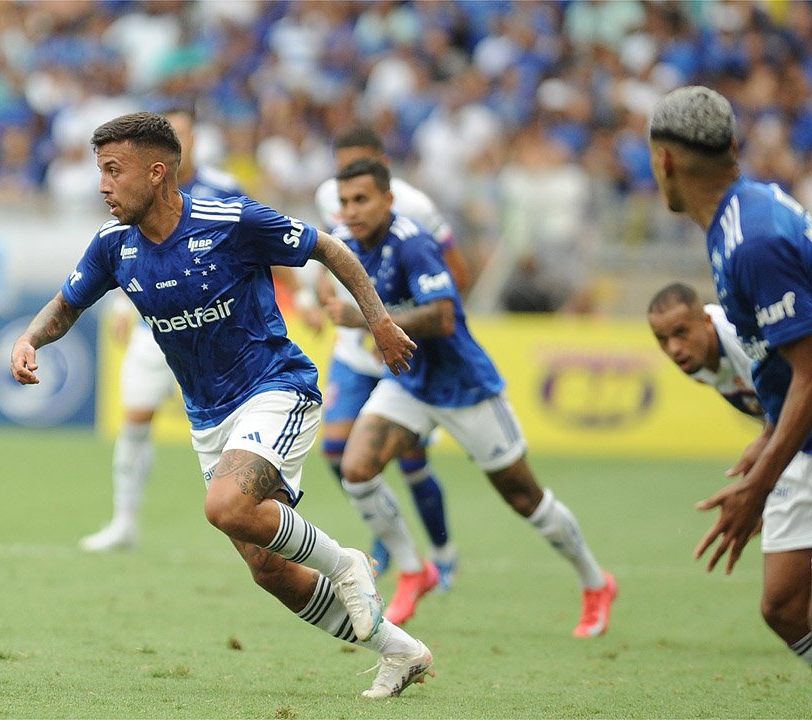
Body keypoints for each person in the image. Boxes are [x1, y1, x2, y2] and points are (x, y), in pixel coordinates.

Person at [11, 112, 432, 698]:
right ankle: (400, 650)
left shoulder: (231, 219)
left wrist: (379, 321)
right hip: (209, 416)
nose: (102, 185)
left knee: (226, 506)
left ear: (157, 172)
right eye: (99, 171)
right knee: (269, 569)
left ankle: (346, 564)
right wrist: (30, 339)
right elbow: (65, 305)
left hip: (276, 387)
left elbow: (328, 247)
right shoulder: (113, 245)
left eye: (113, 170)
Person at [327, 158, 618, 637]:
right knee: (356, 470)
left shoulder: (413, 244)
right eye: (344, 201)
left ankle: (595, 582)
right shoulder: (353, 247)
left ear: (388, 200)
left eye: (361, 199)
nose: (351, 210)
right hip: (410, 384)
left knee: (525, 497)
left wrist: (365, 319)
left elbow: (441, 317)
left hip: (463, 386)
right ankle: (414, 570)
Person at [80, 105, 321, 552]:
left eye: (185, 133)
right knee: (135, 417)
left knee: (238, 495)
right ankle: (124, 520)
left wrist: (303, 296)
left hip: (224, 331)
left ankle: (281, 526)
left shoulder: (222, 190)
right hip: (159, 326)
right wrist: (118, 306)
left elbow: (267, 241)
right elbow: (122, 253)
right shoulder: (130, 194)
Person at [648, 85, 812, 667]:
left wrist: (758, 485)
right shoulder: (744, 217)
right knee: (785, 605)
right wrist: (770, 441)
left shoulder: (753, 240)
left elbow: (810, 377)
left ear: (663, 160)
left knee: (785, 605)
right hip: (798, 440)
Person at [312, 126, 466, 589]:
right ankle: (387, 536)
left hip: (404, 353)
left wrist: (424, 317)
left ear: (383, 168)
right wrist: (323, 289)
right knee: (337, 448)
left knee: (412, 462)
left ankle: (442, 552)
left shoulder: (415, 208)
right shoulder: (331, 198)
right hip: (355, 354)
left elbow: (454, 271)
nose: (348, 194)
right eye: (342, 173)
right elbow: (330, 250)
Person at [646, 282, 765, 421]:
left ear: (707, 321)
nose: (674, 348)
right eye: (662, 338)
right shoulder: (693, 360)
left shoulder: (743, 342)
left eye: (681, 333)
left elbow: (792, 398)